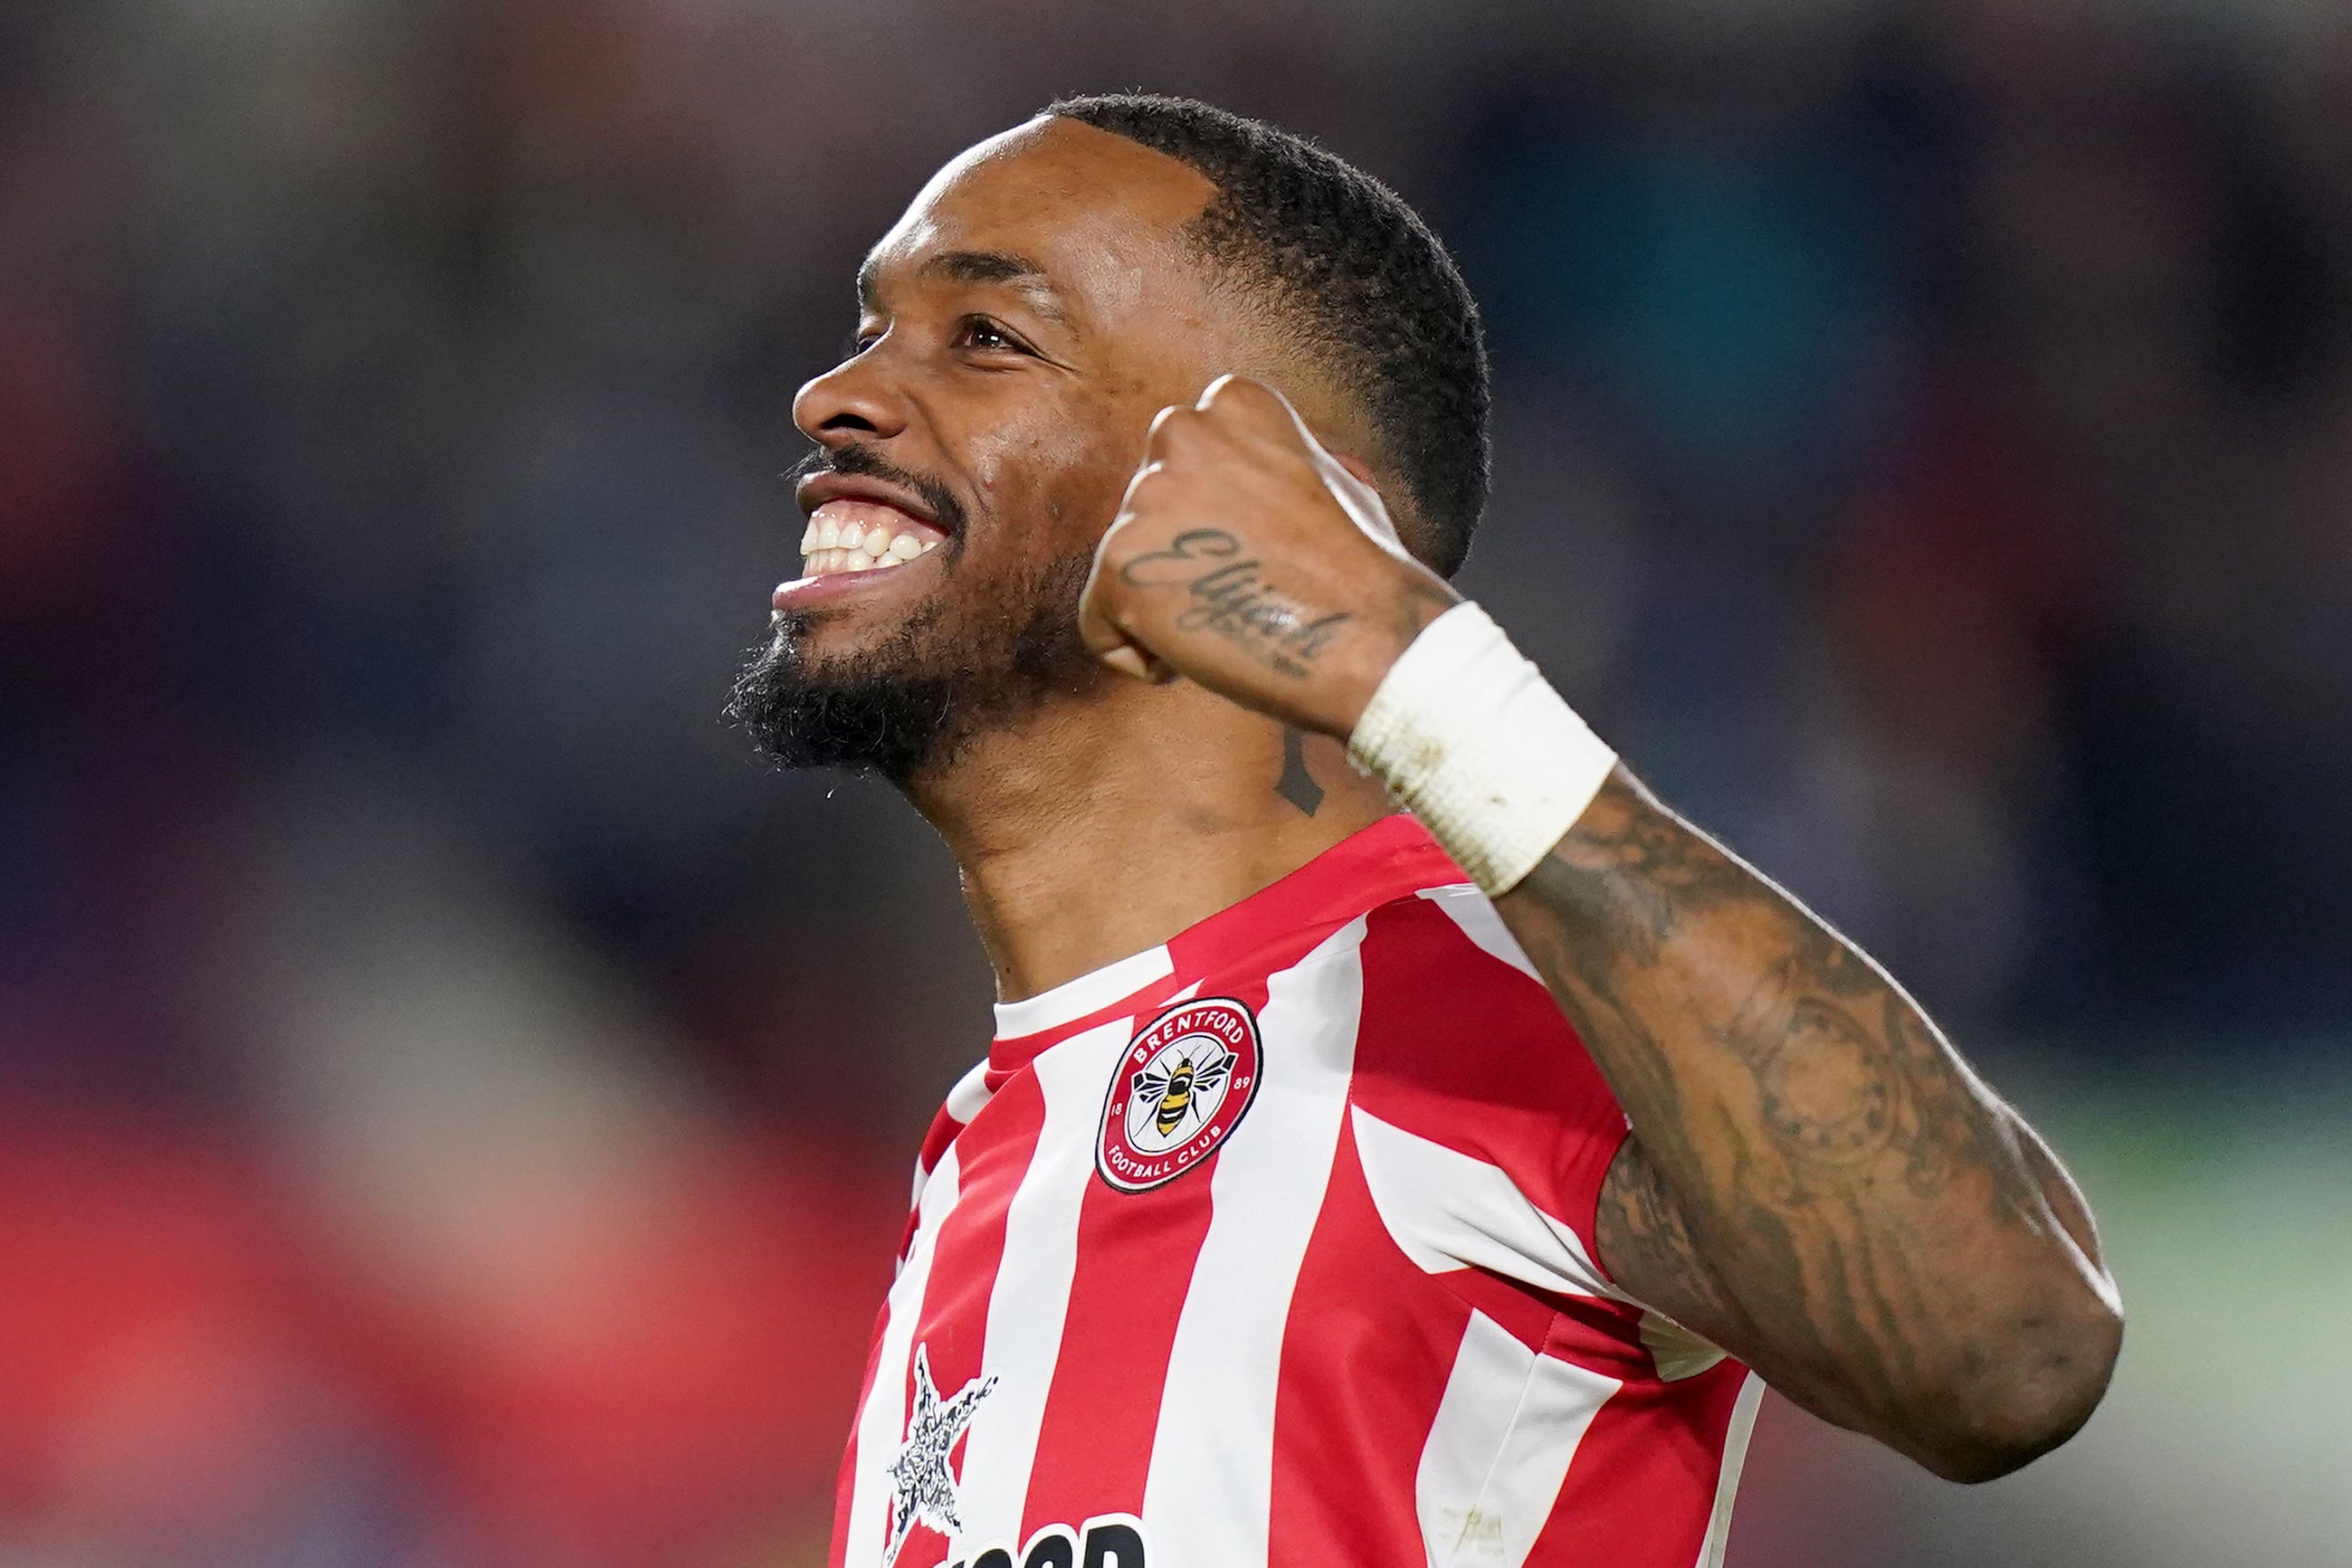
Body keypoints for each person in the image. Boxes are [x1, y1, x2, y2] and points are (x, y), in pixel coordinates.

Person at [730, 94, 2121, 1568]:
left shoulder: (1472, 993)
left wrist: (1424, 673)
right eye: (873, 327)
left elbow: (2010, 1344)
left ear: (1280, 482)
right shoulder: (982, 1153)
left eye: (986, 338)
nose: (834, 394)